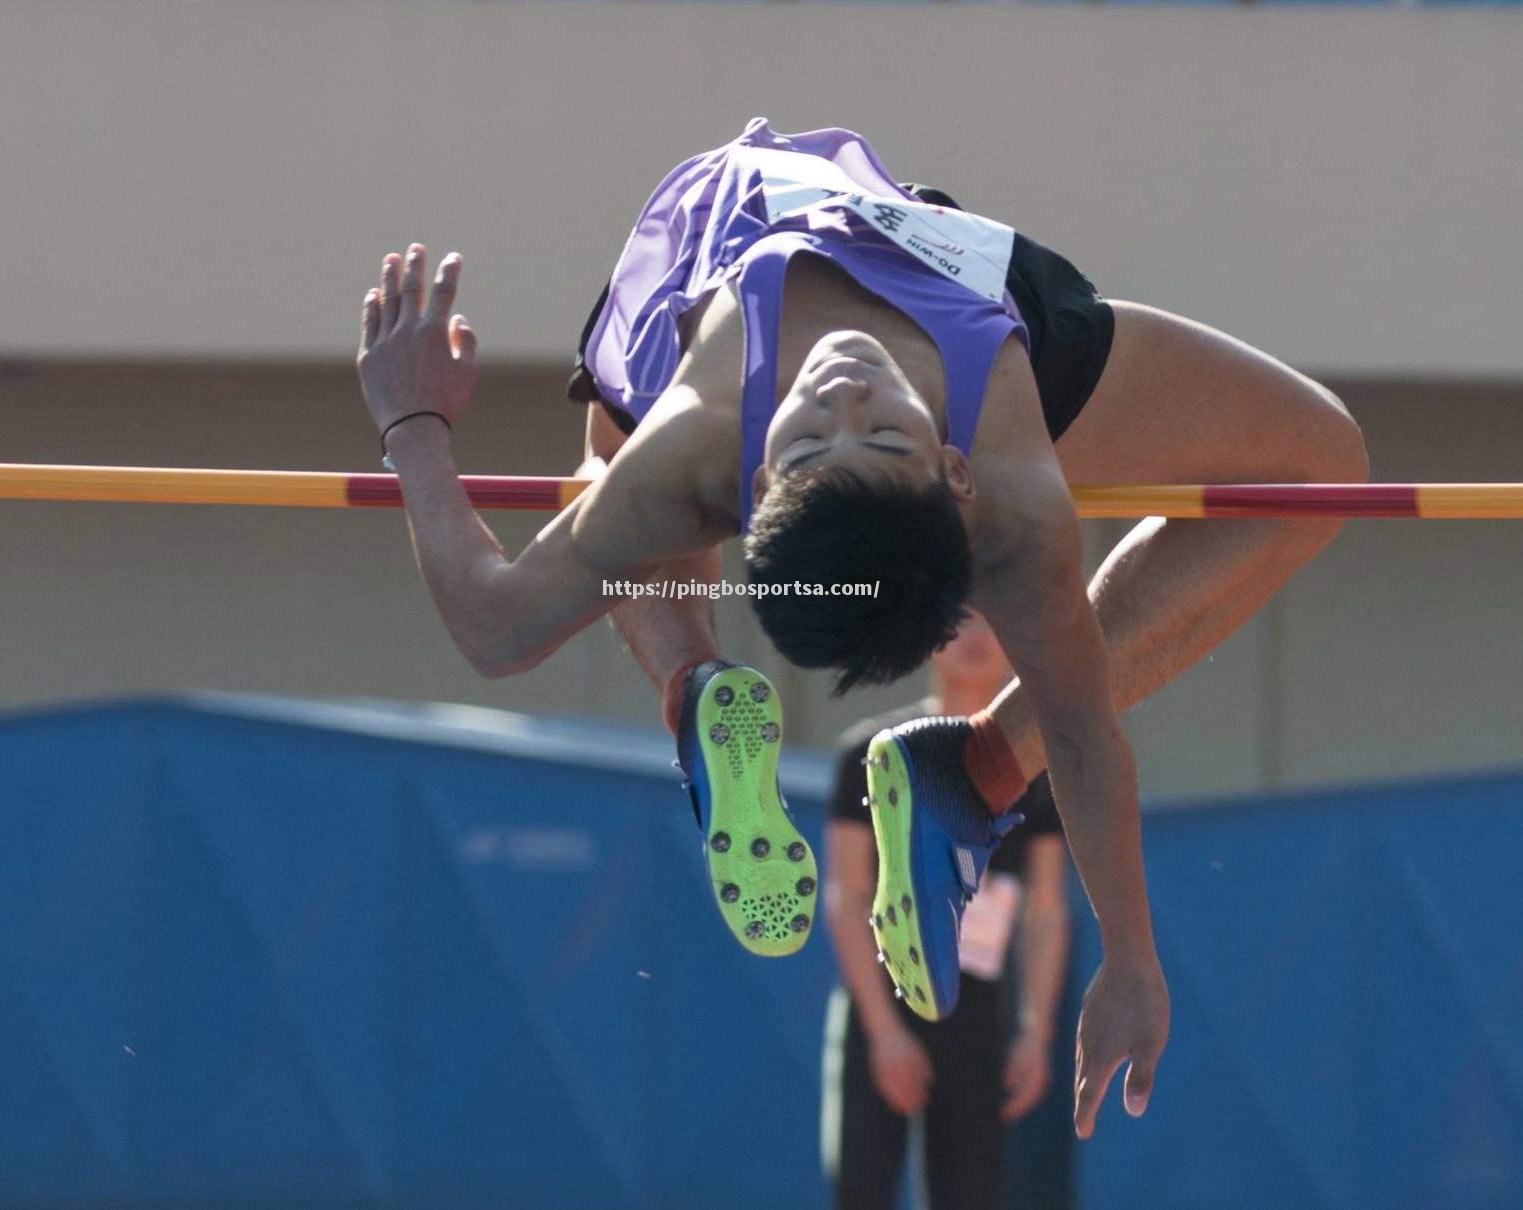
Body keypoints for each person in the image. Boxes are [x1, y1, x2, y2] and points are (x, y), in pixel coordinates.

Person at [356, 118, 1366, 1138]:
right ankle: (779, 709)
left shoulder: (735, 450)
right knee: (623, 488)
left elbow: (496, 623)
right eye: (848, 430)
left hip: (799, 250)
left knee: (614, 491)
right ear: (753, 492)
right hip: (897, 285)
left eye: (870, 432)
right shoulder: (930, 478)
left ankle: (748, 704)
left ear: (951, 474)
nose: (841, 389)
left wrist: (412, 423)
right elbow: (1080, 730)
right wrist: (1132, 961)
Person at [822, 611, 1068, 1210]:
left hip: (978, 1010)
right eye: (960, 619)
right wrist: (884, 1034)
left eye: (994, 620)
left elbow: (1046, 910)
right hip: (882, 1001)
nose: (978, 637)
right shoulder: (872, 752)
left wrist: (1036, 1032)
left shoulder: (1037, 767)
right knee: (861, 1189)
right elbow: (846, 897)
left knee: (971, 1193)